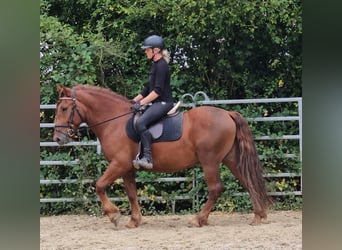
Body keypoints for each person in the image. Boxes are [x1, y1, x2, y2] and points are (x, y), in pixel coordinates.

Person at [131, 35, 174, 169]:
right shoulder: (155, 65)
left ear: (156, 50)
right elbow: (147, 89)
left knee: (141, 123)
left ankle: (147, 158)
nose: (145, 52)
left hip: (163, 103)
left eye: (147, 50)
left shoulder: (162, 66)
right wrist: (133, 101)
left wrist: (142, 103)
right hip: (156, 102)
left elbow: (157, 91)